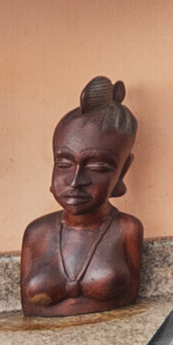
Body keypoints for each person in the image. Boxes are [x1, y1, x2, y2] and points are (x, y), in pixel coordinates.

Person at [19, 77, 146, 316]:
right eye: (64, 164)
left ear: (123, 172)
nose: (76, 181)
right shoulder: (37, 233)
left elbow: (130, 294)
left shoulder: (127, 229)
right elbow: (28, 307)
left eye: (98, 168)